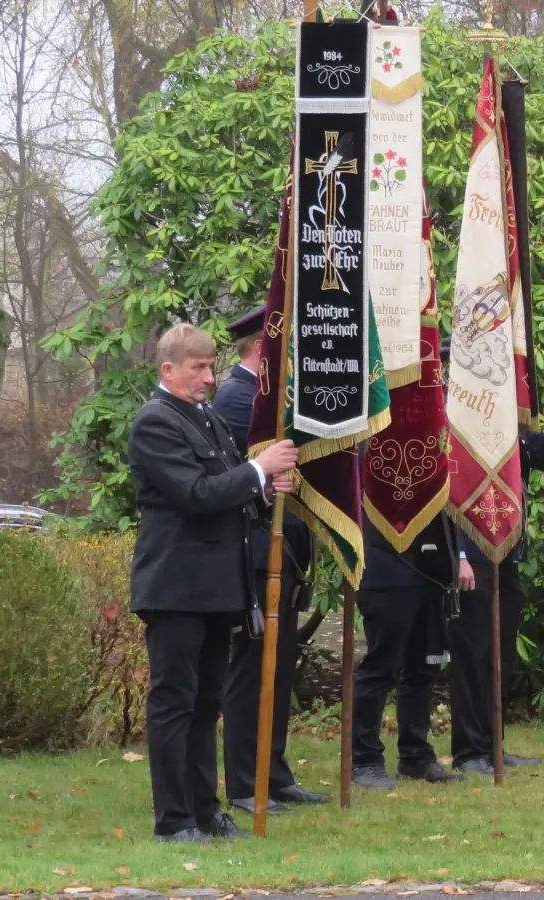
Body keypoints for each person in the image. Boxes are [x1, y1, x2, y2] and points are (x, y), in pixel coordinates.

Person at [129, 323, 298, 842]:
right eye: (198, 368)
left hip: (215, 586)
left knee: (207, 703)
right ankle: (174, 820)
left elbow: (231, 494)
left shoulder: (205, 419)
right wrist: (257, 468)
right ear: (168, 370)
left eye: (210, 366)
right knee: (174, 703)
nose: (208, 377)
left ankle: (206, 811)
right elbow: (196, 494)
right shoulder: (155, 423)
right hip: (176, 587)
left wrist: (266, 487)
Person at [209, 305, 330, 815]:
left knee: (278, 668)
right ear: (264, 349)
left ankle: (273, 773)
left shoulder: (267, 396)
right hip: (257, 552)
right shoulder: (240, 399)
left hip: (284, 549)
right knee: (254, 669)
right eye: (288, 349)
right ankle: (244, 781)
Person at [442, 336, 544, 776]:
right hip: (467, 555)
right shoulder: (446, 428)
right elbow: (445, 500)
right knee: (472, 655)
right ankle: (468, 751)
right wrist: (455, 553)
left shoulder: (496, 424)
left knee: (500, 654)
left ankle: (493, 744)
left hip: (506, 553)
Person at [350, 514, 466, 788]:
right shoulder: (370, 467)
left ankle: (415, 757)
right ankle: (365, 761)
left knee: (422, 669)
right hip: (385, 566)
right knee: (380, 669)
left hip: (430, 571)